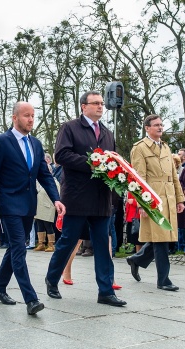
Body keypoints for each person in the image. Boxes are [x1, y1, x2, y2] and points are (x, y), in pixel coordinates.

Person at [45, 90, 126, 306]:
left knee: (102, 245)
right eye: (96, 103)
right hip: (78, 196)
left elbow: (114, 162)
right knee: (68, 241)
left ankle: (106, 291)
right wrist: (93, 163)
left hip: (101, 199)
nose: (100, 106)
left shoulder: (107, 133)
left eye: (101, 103)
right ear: (83, 106)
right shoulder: (70, 128)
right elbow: (61, 155)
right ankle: (52, 280)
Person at [0, 101, 65, 315]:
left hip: (29, 204)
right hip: (8, 204)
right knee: (19, 249)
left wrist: (56, 199)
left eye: (33, 115)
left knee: (15, 247)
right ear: (15, 118)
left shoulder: (36, 144)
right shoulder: (1, 142)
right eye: (26, 115)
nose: (31, 119)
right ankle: (31, 299)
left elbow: (44, 175)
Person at [126, 114, 185, 291]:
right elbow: (139, 177)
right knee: (161, 240)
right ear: (147, 128)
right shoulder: (140, 148)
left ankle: (136, 259)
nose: (160, 127)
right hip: (152, 198)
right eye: (156, 125)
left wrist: (180, 198)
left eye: (161, 124)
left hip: (169, 197)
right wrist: (142, 203)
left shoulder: (166, 147)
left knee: (164, 237)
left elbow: (174, 176)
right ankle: (163, 280)